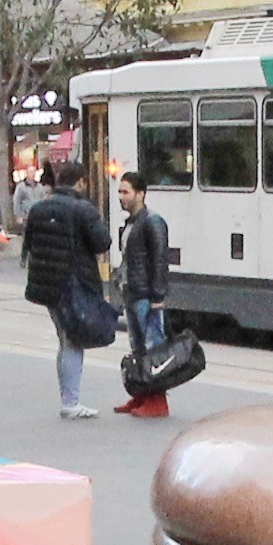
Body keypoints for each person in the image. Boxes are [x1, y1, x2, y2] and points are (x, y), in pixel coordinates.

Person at [20, 159, 112, 421]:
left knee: (64, 338)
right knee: (73, 341)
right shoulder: (83, 209)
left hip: (46, 283)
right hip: (74, 282)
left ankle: (68, 398)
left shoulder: (39, 208)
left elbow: (29, 244)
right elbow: (102, 242)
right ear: (81, 181)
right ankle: (70, 402)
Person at [113, 170, 173, 418]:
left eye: (126, 191)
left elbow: (160, 260)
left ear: (141, 194)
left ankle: (157, 401)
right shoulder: (132, 223)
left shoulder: (152, 222)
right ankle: (142, 396)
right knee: (138, 348)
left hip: (146, 295)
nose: (121, 197)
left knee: (153, 348)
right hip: (133, 292)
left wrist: (158, 296)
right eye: (120, 191)